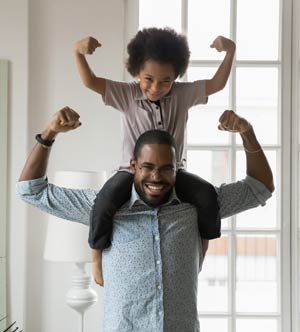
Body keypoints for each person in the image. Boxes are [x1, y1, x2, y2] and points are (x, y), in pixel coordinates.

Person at [16, 107, 274, 332]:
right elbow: (31, 190)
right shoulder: (103, 207)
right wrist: (49, 134)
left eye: (166, 168)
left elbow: (260, 187)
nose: (156, 177)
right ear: (133, 166)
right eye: (148, 167)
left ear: (177, 168)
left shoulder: (196, 207)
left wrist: (247, 131)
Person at [73, 27, 236, 284]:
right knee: (104, 201)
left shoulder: (183, 95)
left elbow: (216, 84)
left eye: (165, 81)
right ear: (136, 71)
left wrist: (230, 52)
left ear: (176, 77)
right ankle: (95, 257)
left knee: (206, 195)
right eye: (148, 79)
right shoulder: (126, 95)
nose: (156, 87)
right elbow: (90, 82)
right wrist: (78, 53)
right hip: (132, 172)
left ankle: (202, 251)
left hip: (174, 172)